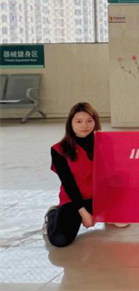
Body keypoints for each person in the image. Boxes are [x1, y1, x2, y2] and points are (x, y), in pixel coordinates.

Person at [45, 102, 127, 247]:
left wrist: (112, 206)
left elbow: (111, 174)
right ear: (70, 123)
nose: (85, 125)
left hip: (100, 196)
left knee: (124, 222)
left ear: (95, 122)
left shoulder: (105, 143)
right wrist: (84, 213)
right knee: (60, 240)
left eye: (89, 121)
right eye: (79, 121)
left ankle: (107, 213)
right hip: (74, 200)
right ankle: (52, 215)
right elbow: (68, 184)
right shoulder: (59, 150)